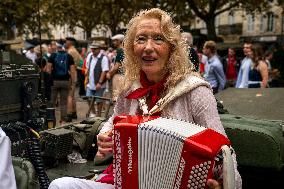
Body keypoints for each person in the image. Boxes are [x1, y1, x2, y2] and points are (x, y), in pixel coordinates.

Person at [48, 8, 242, 189]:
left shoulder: (195, 91)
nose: (148, 47)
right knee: (60, 185)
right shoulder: (129, 88)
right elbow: (113, 121)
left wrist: (223, 184)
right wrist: (105, 137)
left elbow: (224, 153)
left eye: (158, 39)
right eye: (141, 39)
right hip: (125, 181)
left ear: (171, 48)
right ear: (132, 48)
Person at [46, 41, 76, 123]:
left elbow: (48, 69)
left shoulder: (53, 55)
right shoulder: (69, 56)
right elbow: (72, 71)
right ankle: (62, 119)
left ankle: (51, 120)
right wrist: (73, 82)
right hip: (65, 81)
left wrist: (48, 80)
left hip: (54, 81)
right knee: (63, 102)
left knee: (51, 102)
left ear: (57, 48)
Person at [85, 41, 109, 117]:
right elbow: (88, 68)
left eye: (95, 49)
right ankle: (93, 113)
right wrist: (87, 79)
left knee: (99, 101)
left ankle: (98, 115)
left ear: (99, 49)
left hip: (99, 84)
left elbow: (104, 71)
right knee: (88, 98)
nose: (93, 50)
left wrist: (100, 82)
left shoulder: (103, 58)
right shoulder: (90, 56)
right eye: (92, 49)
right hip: (90, 83)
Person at [106, 34, 125, 102]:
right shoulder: (125, 50)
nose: (113, 43)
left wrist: (109, 74)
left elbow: (117, 66)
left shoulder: (120, 50)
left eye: (115, 41)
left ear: (119, 41)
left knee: (116, 100)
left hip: (118, 76)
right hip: (124, 76)